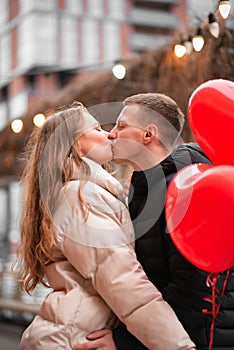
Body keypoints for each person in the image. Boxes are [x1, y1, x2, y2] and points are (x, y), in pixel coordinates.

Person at [14, 101, 196, 350]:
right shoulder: (80, 196)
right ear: (77, 144)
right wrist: (179, 346)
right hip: (75, 339)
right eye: (97, 128)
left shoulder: (91, 193)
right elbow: (123, 280)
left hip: (76, 332)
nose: (109, 134)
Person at [74, 93, 234, 350]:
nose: (112, 133)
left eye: (122, 126)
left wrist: (125, 341)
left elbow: (194, 293)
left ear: (149, 135)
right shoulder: (146, 192)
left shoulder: (185, 194)